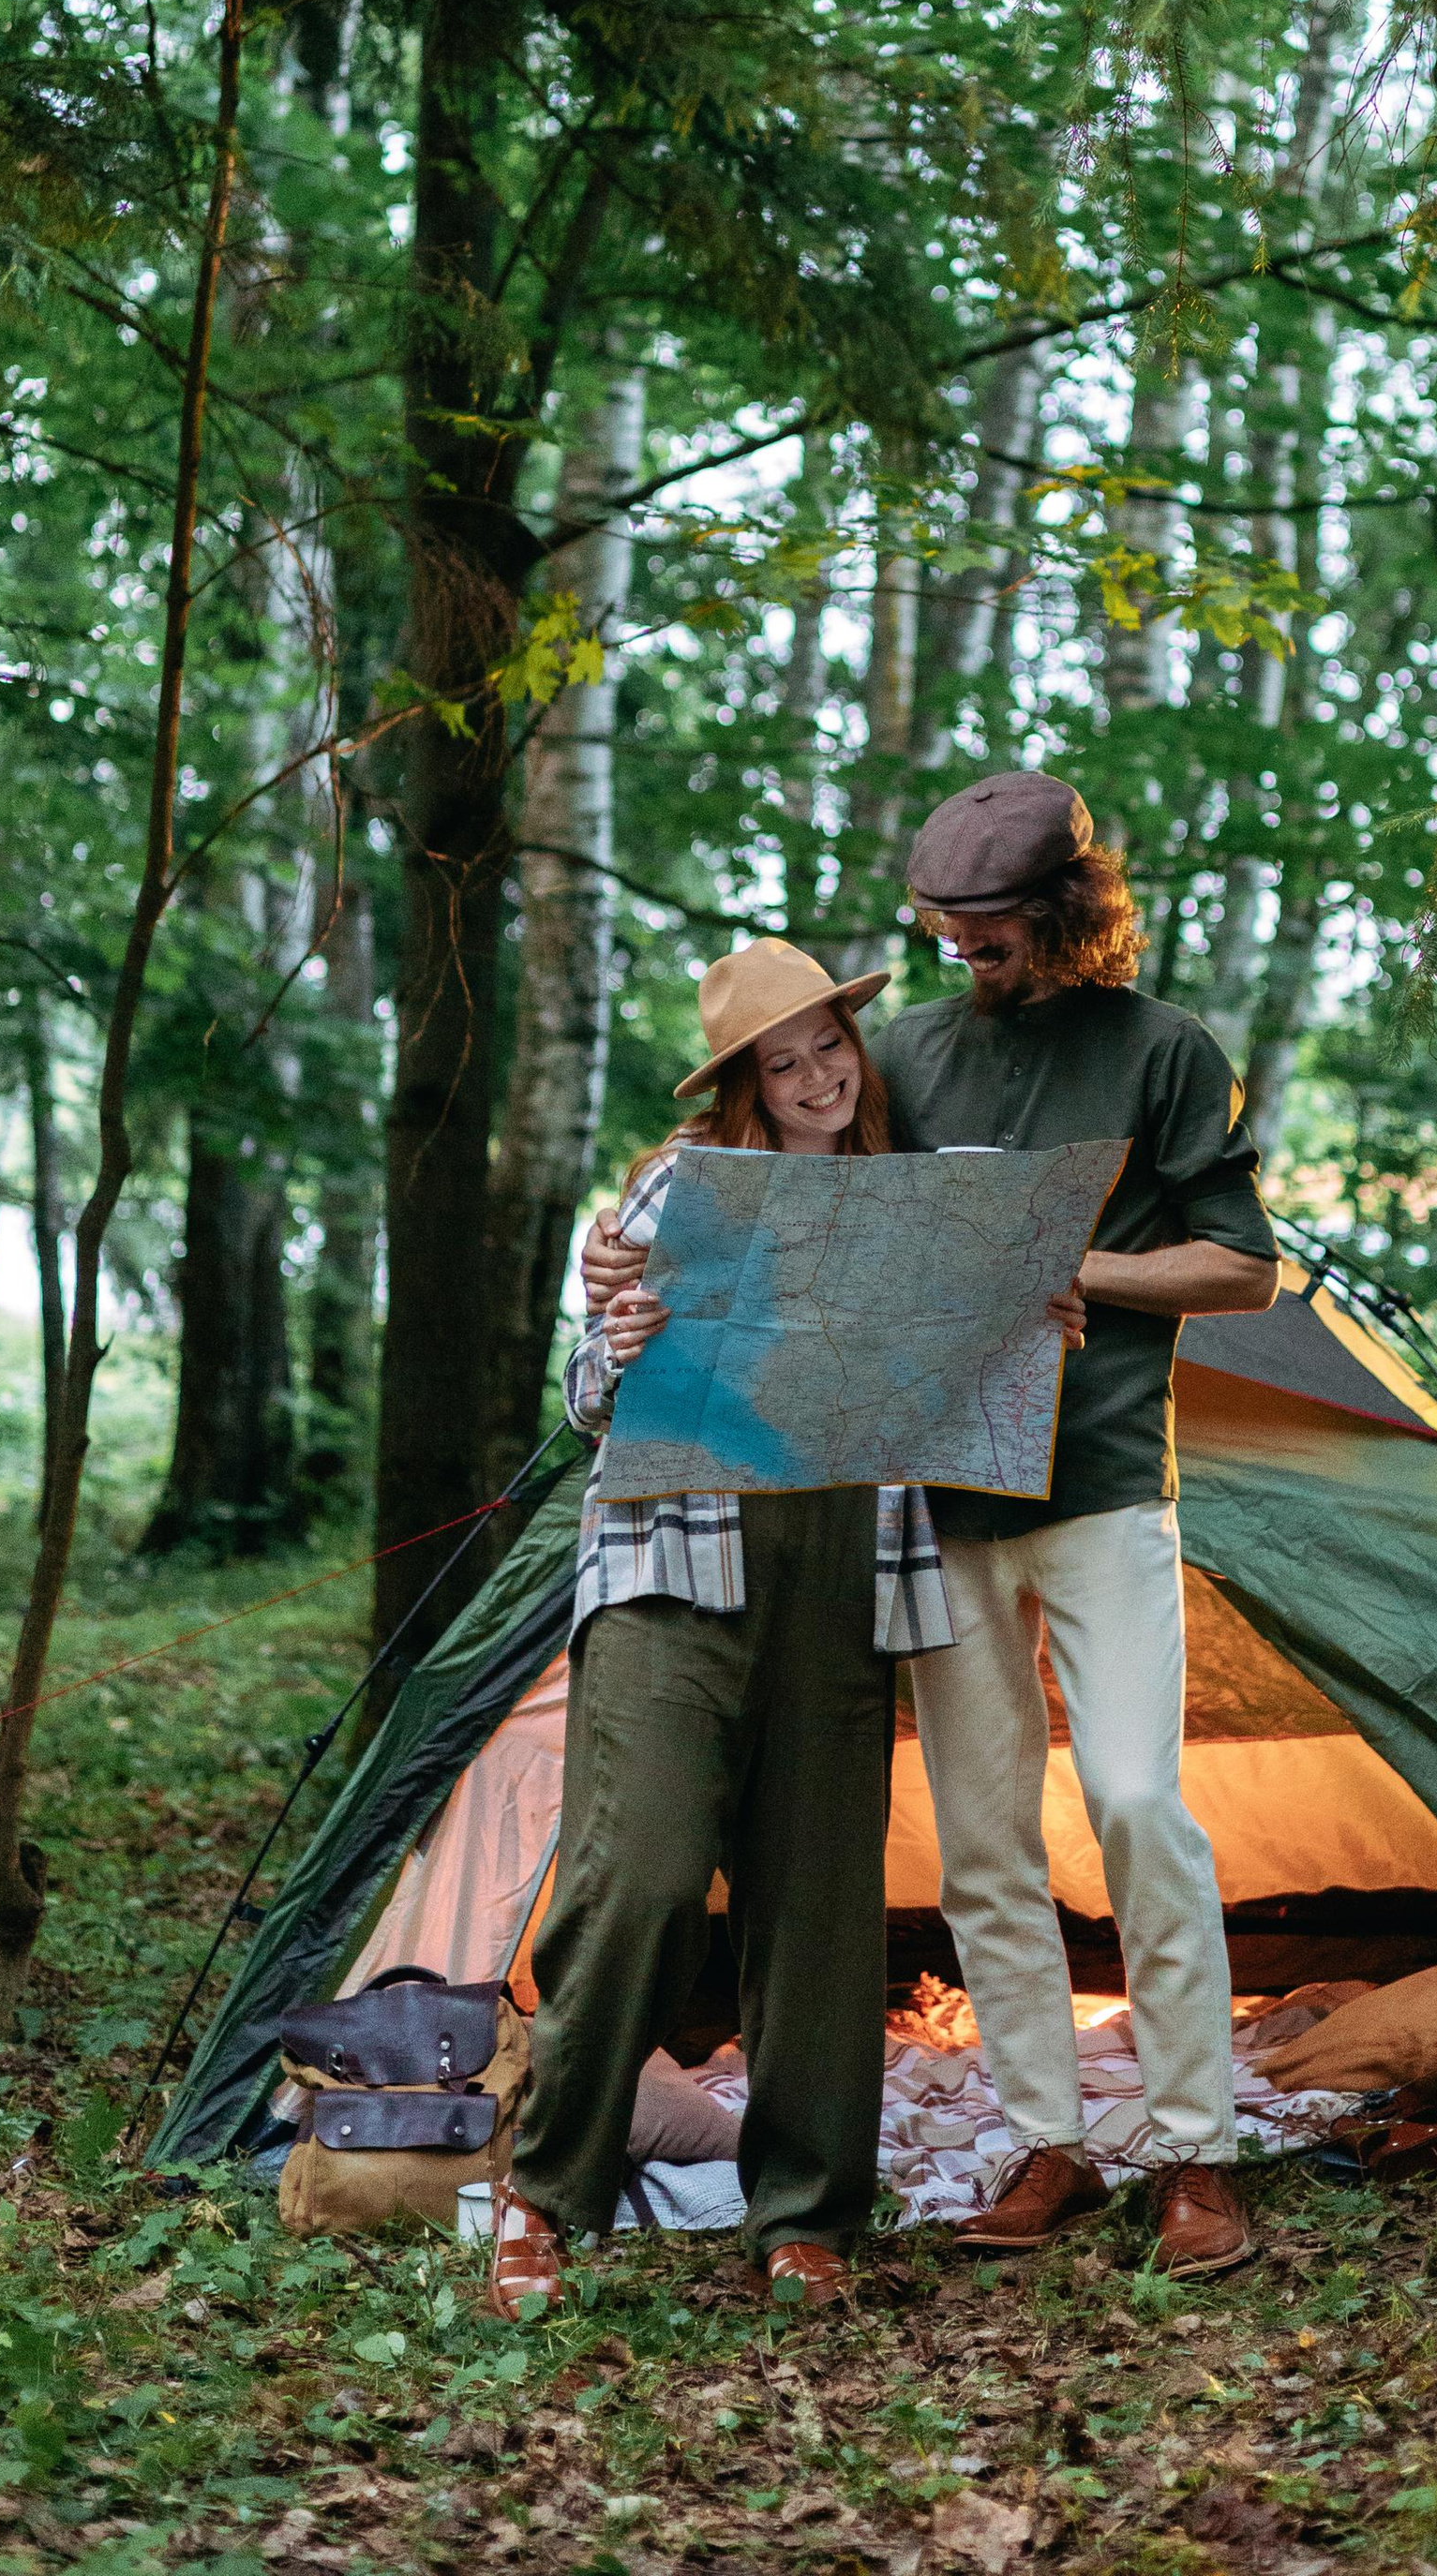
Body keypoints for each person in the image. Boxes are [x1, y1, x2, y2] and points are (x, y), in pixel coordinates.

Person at [586, 776, 1280, 2278]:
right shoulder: (901, 1059)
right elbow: (807, 1215)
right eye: (946, 931)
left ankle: (1196, 2150)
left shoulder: (1163, 1053)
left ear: (1068, 919)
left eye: (993, 931)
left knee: (1141, 1808)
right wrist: (632, 1253)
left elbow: (1241, 1274)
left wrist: (1078, 1270)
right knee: (979, 1842)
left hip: (1101, 1490)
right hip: (937, 1504)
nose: (967, 952)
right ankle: (1052, 2142)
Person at [490, 940, 992, 2322]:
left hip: (845, 1567)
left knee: (821, 1914)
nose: (820, 1074)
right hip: (675, 1559)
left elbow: (959, 1381)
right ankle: (545, 2191)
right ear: (744, 1085)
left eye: (831, 1045)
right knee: (638, 1875)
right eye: (787, 1061)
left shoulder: (904, 1203)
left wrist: (1031, 1315)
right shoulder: (672, 1191)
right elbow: (590, 1402)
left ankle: (805, 2214)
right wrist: (622, 1339)